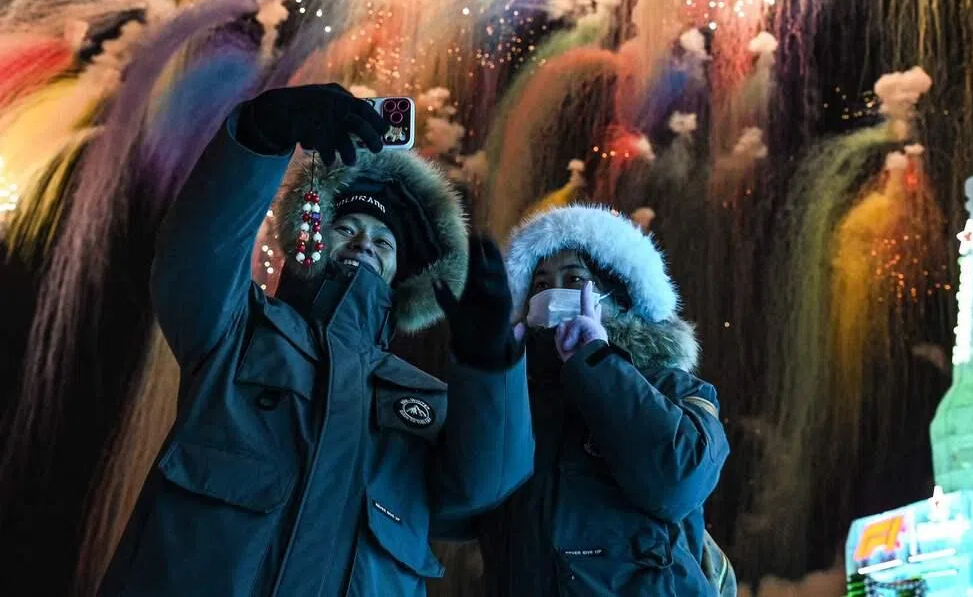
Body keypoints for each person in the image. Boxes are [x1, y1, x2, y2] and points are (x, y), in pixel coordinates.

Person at [99, 83, 533, 597]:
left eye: (384, 241)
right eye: (347, 227)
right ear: (313, 236)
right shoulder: (238, 330)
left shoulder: (426, 400)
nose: (364, 244)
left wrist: (491, 364)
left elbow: (485, 488)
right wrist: (260, 135)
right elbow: (193, 262)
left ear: (403, 275)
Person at [465, 202, 730, 595]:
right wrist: (491, 382)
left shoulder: (676, 390)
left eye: (574, 279)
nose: (554, 294)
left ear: (620, 299)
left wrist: (596, 363)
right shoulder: (519, 398)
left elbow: (678, 480)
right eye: (540, 285)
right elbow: (461, 501)